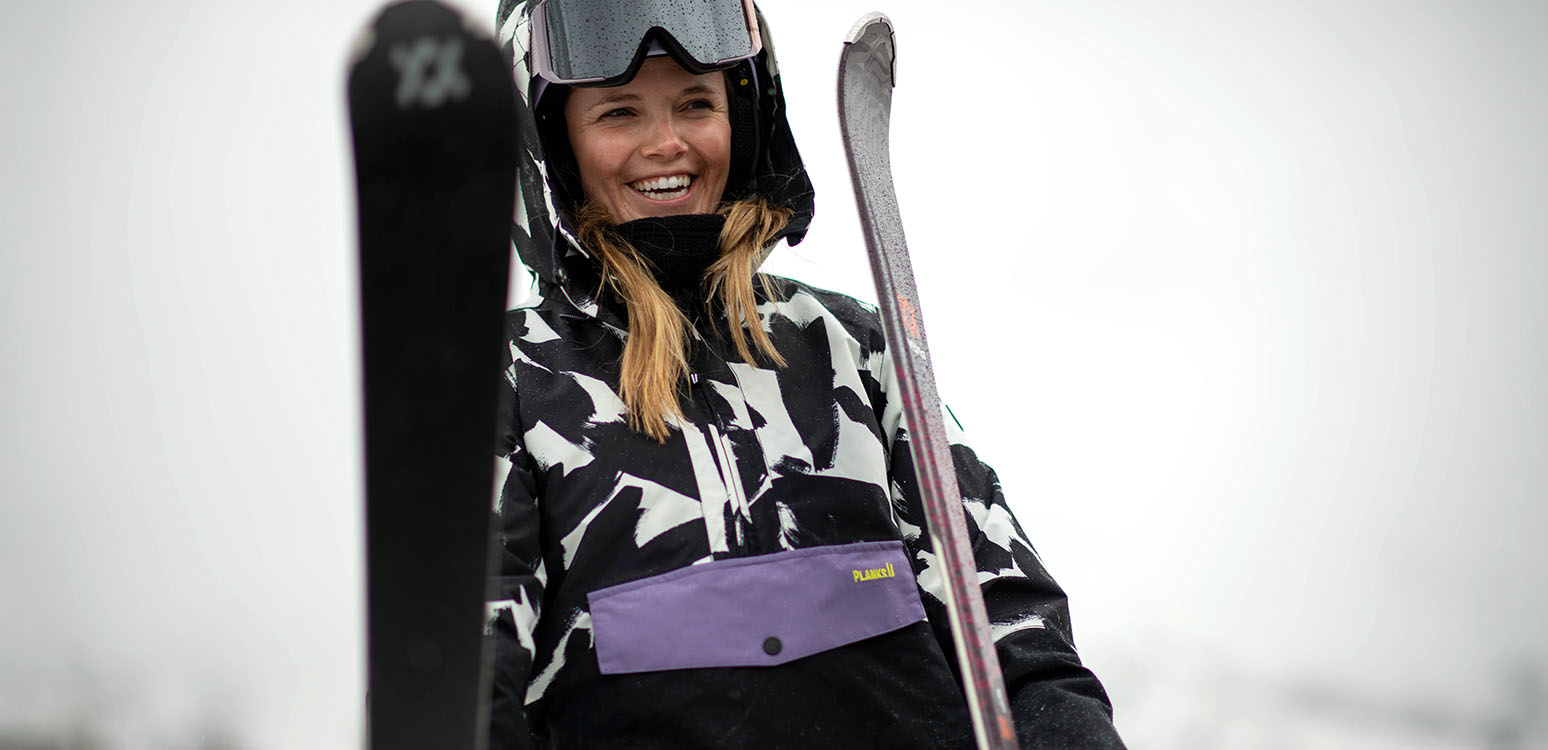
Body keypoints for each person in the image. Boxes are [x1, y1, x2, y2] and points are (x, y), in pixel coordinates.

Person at [478, 1, 1119, 747]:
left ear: (744, 122)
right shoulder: (515, 380)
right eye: (620, 113)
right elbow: (473, 661)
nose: (668, 142)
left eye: (696, 102)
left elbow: (1013, 621)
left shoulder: (848, 345)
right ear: (554, 144)